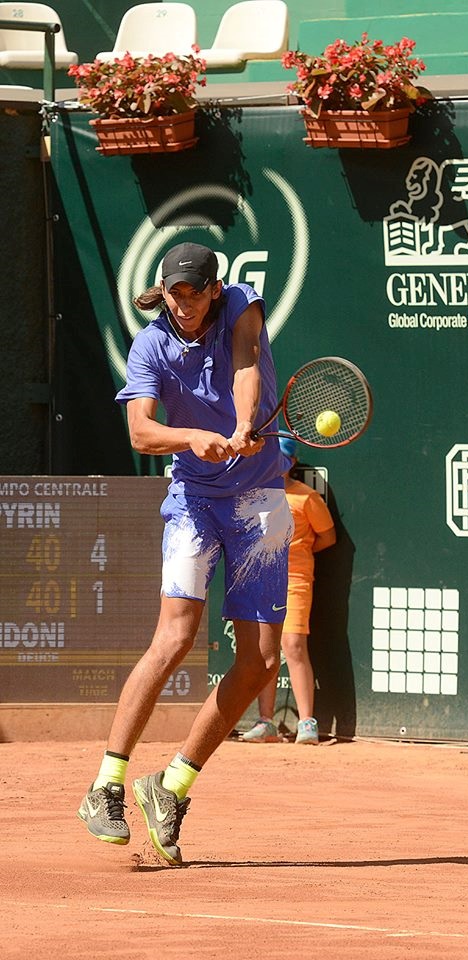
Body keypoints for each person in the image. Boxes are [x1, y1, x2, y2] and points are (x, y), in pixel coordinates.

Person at [77, 241, 293, 865]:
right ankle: (106, 784)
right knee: (174, 639)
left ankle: (170, 787)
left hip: (260, 501)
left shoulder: (241, 308)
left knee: (260, 661)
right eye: (175, 294)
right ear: (163, 291)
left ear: (214, 291)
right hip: (193, 503)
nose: (185, 305)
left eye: (195, 294)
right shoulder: (149, 346)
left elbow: (247, 362)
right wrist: (195, 436)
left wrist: (245, 424)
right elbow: (142, 431)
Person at [241, 435, 336, 745]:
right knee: (264, 651)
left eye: (282, 458)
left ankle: (307, 722)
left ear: (291, 463)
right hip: (261, 578)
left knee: (293, 645)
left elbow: (327, 537)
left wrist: (298, 553)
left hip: (295, 579)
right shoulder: (253, 495)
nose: (275, 462)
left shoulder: (307, 498)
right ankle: (266, 722)